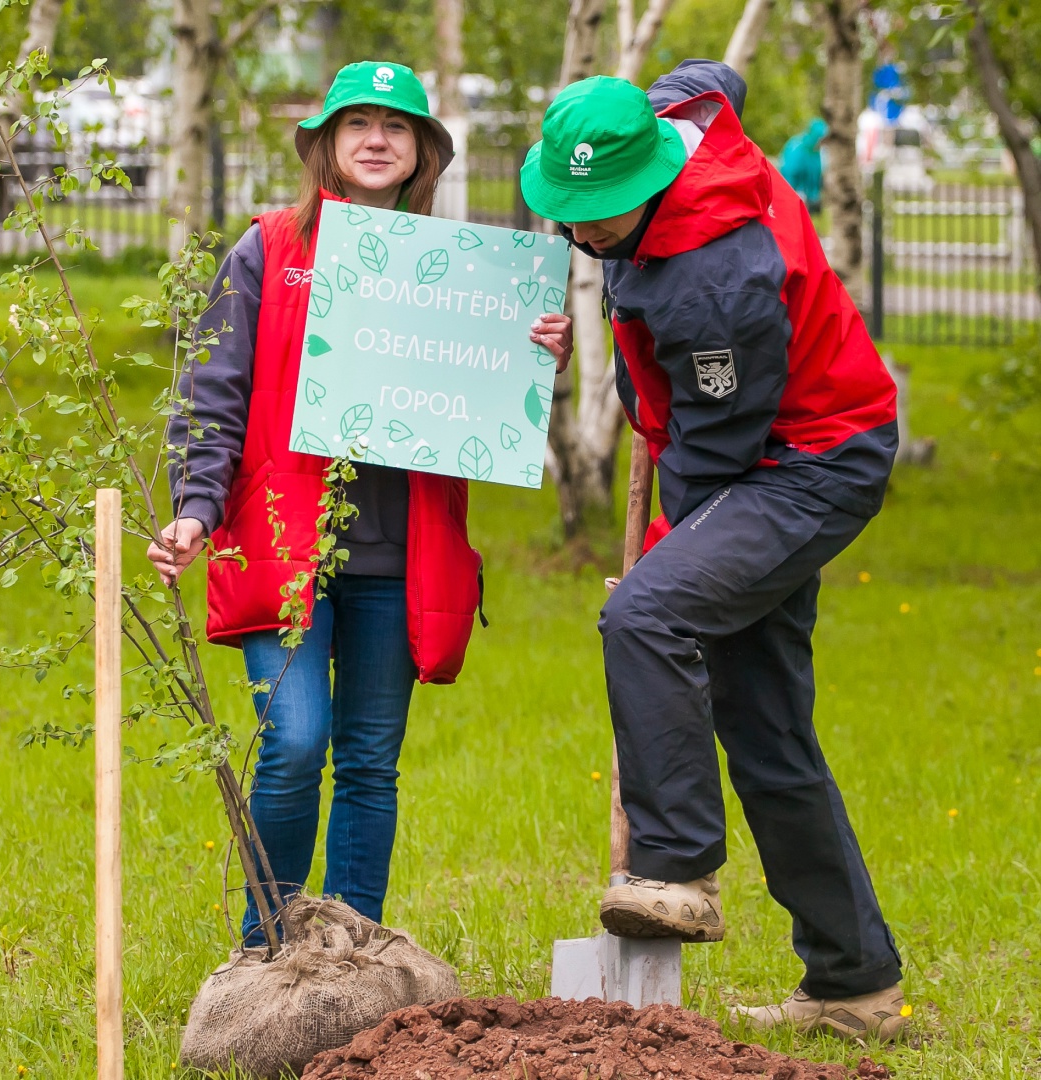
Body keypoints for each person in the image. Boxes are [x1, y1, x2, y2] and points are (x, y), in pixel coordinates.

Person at [519, 61, 907, 1041]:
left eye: (604, 216)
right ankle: (855, 985)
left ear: (654, 180)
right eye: (575, 207)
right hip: (756, 453)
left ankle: (678, 867)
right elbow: (710, 77)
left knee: (646, 613)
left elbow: (717, 458)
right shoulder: (663, 122)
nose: (586, 230)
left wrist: (663, 561)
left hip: (807, 461)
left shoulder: (716, 280)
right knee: (767, 730)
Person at [146, 60, 572, 946]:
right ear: (328, 148)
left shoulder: (466, 270)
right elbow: (214, 393)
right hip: (282, 548)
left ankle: (354, 957)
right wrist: (195, 506)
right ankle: (267, 949)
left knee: (371, 767)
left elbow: (487, 397)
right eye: (358, 125)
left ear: (421, 154)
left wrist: (533, 351)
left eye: (397, 127)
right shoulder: (268, 249)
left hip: (398, 559)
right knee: (296, 744)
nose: (377, 140)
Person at [779, 118, 828, 214]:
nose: (822, 143)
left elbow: (816, 175)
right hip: (794, 193)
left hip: (809, 198)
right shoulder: (797, 148)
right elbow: (790, 173)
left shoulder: (816, 152)